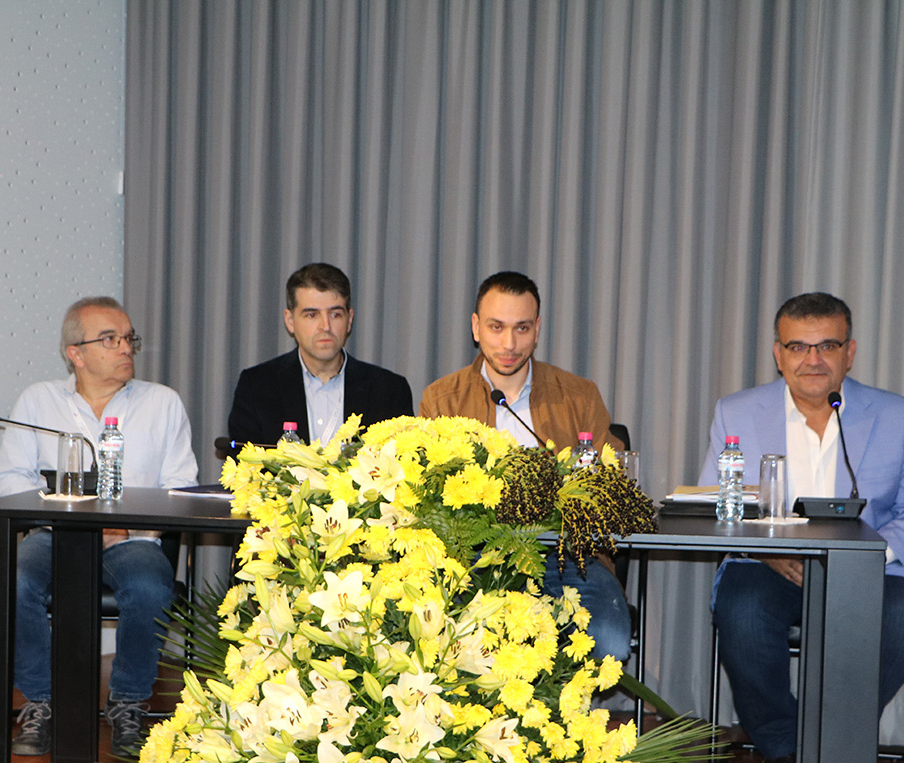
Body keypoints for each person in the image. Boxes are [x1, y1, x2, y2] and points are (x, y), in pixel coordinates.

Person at [700, 291, 904, 763]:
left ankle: (834, 741)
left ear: (849, 352)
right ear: (778, 354)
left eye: (827, 346)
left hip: (873, 568)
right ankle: (783, 747)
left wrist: (868, 556)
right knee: (742, 608)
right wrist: (767, 551)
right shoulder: (737, 412)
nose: (813, 360)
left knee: (903, 613)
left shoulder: (895, 416)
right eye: (798, 347)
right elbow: (717, 506)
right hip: (769, 564)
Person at [0, 296, 199, 759]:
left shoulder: (161, 403)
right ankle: (43, 702)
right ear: (76, 353)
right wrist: (64, 517)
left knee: (149, 587)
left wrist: (125, 525)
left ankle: (127, 704)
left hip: (132, 540)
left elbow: (181, 486)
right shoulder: (38, 401)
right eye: (110, 339)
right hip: (55, 536)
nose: (125, 347)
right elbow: (9, 480)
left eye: (128, 338)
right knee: (15, 579)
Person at [419, 270, 632, 666]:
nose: (509, 344)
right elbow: (428, 496)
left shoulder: (579, 396)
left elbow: (612, 481)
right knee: (451, 644)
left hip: (566, 556)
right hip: (475, 560)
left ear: (537, 329)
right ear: (475, 328)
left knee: (609, 641)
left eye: (521, 328)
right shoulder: (442, 399)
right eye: (496, 327)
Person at [228, 263, 414, 446]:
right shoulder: (257, 387)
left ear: (349, 320)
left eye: (335, 315)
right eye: (312, 315)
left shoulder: (389, 391)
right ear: (290, 321)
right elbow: (243, 461)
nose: (325, 326)